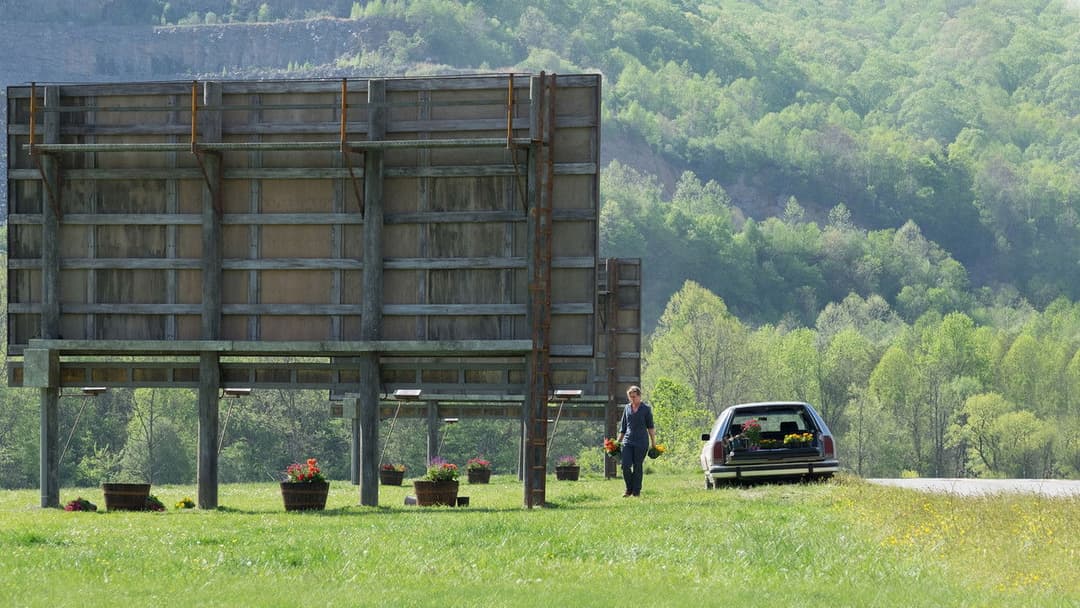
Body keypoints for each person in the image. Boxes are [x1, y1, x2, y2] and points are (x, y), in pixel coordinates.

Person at [616, 385, 656, 497]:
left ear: (639, 396)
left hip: (641, 442)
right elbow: (623, 428)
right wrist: (617, 443)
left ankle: (636, 491)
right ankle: (629, 489)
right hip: (628, 441)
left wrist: (653, 443)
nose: (632, 399)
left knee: (638, 466)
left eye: (634, 396)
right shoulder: (627, 408)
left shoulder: (646, 409)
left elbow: (651, 427)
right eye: (630, 397)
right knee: (625, 465)